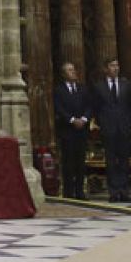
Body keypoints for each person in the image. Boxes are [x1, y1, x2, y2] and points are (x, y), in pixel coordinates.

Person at [91, 57, 131, 202]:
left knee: (124, 160)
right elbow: (96, 107)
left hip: (124, 127)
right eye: (112, 66)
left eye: (117, 65)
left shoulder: (126, 85)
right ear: (105, 69)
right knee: (110, 161)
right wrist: (101, 122)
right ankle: (113, 191)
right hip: (108, 127)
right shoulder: (98, 86)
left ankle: (124, 190)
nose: (115, 68)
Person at [52, 61, 90, 198]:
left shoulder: (82, 88)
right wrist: (73, 120)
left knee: (80, 162)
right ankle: (68, 191)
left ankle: (80, 190)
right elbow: (59, 109)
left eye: (73, 70)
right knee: (68, 163)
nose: (73, 72)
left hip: (81, 131)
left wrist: (84, 119)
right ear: (63, 74)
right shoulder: (59, 90)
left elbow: (88, 106)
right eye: (69, 70)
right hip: (67, 130)